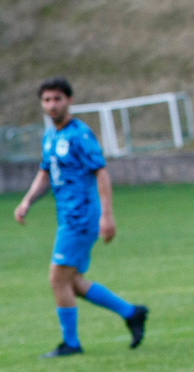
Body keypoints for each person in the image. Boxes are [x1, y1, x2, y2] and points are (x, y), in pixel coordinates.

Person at [13, 77, 147, 357]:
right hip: (66, 216)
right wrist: (27, 201)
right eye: (47, 100)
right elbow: (45, 173)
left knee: (57, 279)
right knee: (72, 281)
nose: (52, 105)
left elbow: (101, 172)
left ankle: (71, 344)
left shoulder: (80, 134)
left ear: (69, 101)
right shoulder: (50, 136)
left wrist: (107, 216)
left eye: (57, 99)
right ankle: (131, 312)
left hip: (82, 216)